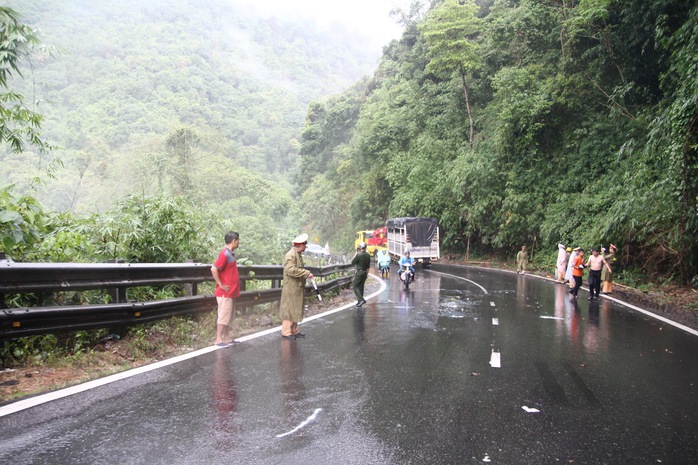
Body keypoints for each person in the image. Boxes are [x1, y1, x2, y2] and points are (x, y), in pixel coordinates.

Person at [279, 233, 314, 339]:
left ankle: (294, 330)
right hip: (291, 287)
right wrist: (306, 273)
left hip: (297, 287)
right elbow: (290, 270)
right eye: (305, 245)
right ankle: (286, 331)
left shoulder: (297, 255)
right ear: (301, 245)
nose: (305, 247)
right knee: (289, 309)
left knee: (296, 308)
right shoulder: (290, 255)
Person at [210, 231, 241, 346]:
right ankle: (218, 339)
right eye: (238, 240)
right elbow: (214, 269)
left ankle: (226, 337)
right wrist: (220, 284)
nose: (239, 242)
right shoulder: (224, 254)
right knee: (223, 315)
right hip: (224, 293)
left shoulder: (230, 253)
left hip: (231, 292)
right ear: (234, 241)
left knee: (228, 316)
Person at [351, 241, 371, 307]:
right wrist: (367, 273)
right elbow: (368, 266)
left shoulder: (359, 255)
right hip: (365, 272)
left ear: (360, 247)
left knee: (355, 285)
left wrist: (356, 253)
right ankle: (360, 301)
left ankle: (361, 299)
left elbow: (352, 262)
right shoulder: (368, 255)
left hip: (359, 272)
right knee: (361, 286)